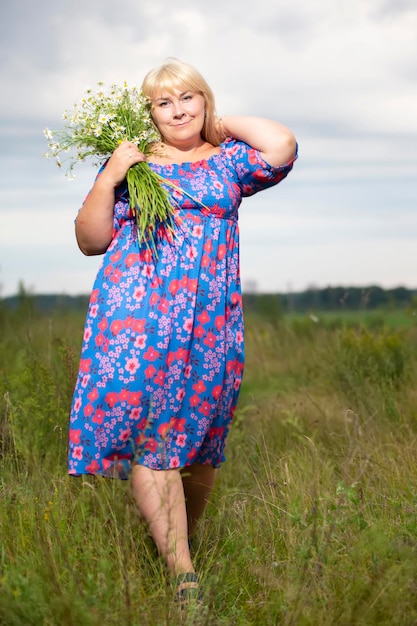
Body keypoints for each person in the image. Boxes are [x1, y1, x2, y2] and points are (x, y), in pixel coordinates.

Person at [68, 58, 297, 604]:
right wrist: (111, 174)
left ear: (204, 99)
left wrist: (218, 125)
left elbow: (282, 144)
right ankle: (184, 578)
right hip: (136, 319)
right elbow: (89, 240)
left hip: (210, 322)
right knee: (154, 440)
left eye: (187, 97)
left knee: (198, 441)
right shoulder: (135, 164)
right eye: (163, 103)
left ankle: (177, 546)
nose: (177, 110)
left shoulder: (231, 162)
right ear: (148, 113)